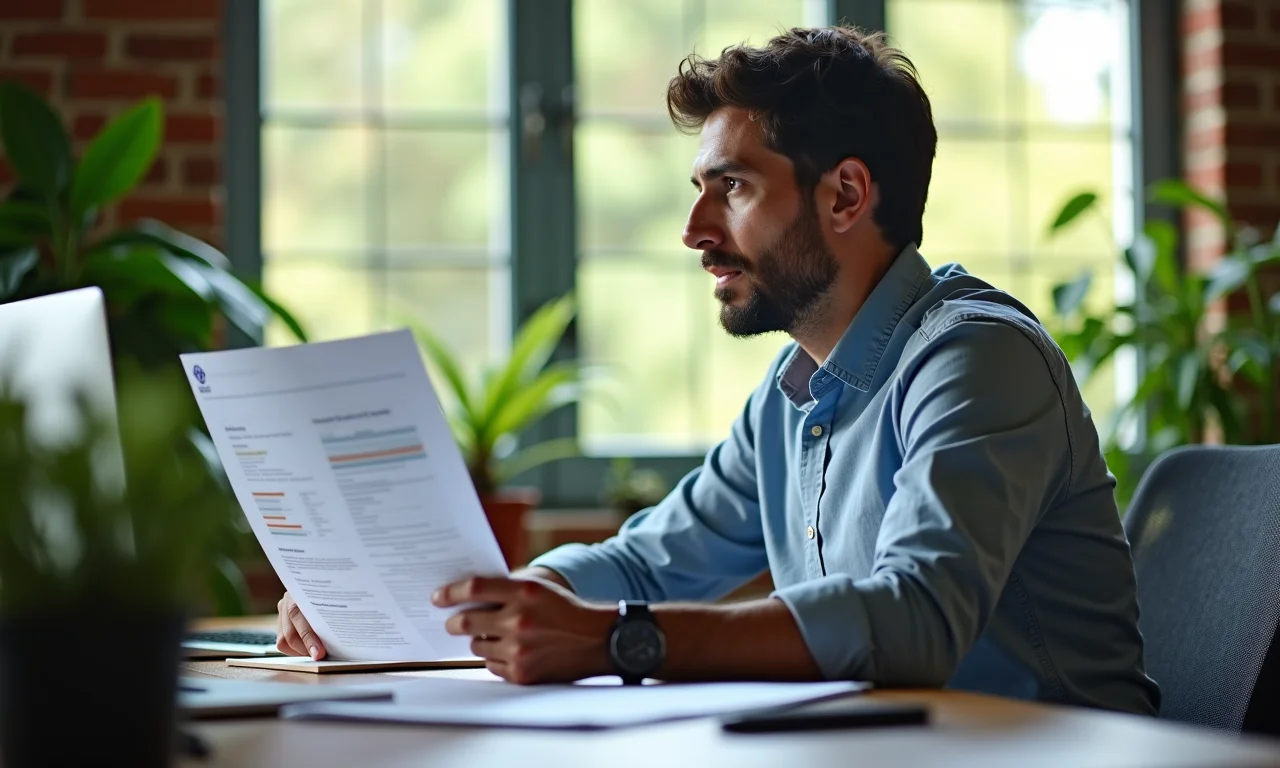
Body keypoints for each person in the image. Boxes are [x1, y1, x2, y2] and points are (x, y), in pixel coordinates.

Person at [277, 25, 1160, 715]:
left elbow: (915, 619)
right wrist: (465, 606)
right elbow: (649, 563)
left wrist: (620, 643)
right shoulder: (790, 396)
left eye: (731, 187)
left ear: (846, 195)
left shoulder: (975, 357)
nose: (696, 231)